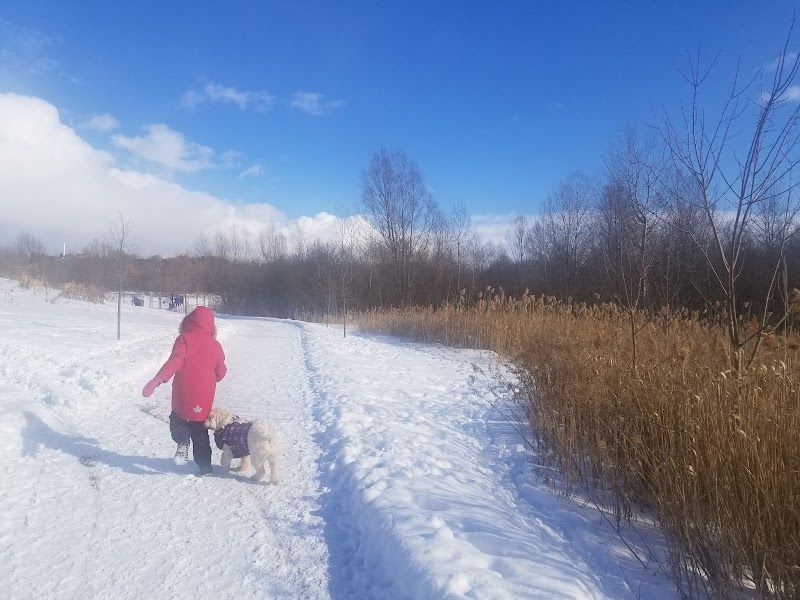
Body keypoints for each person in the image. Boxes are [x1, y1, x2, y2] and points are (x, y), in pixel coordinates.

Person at [141, 306, 227, 476]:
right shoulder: (216, 345)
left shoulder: (184, 339)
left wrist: (158, 379)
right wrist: (212, 378)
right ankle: (205, 467)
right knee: (200, 431)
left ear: (188, 322)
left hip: (183, 391)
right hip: (204, 395)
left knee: (178, 418)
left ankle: (182, 440)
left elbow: (174, 362)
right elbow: (221, 372)